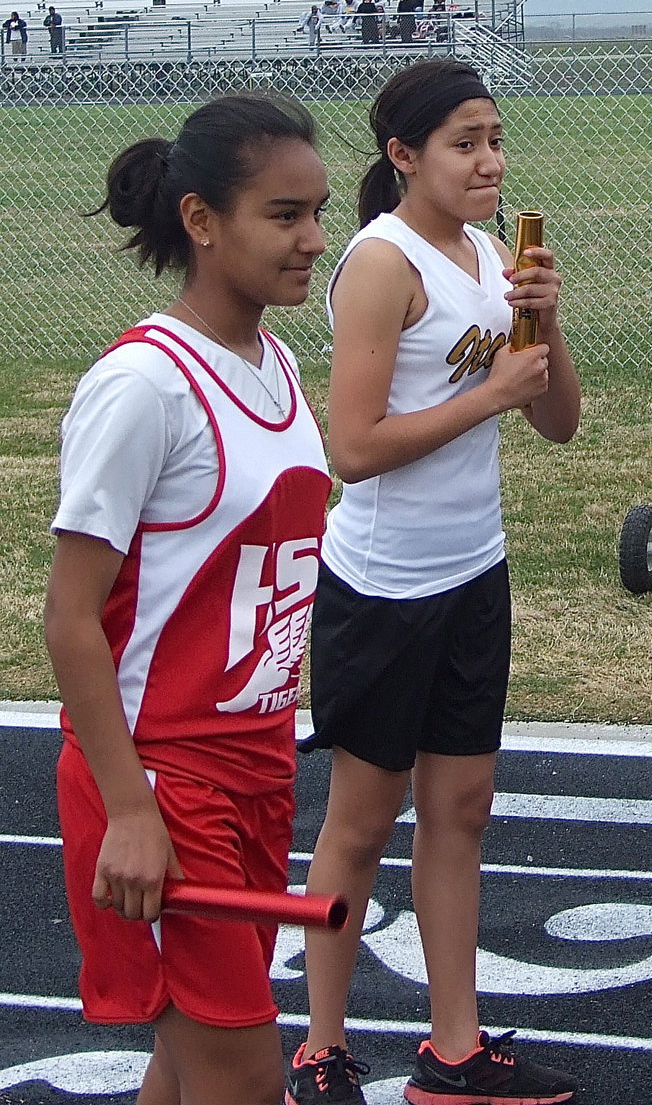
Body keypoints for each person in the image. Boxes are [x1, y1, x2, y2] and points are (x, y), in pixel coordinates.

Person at [285, 58, 581, 1105]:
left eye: (495, 139)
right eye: (464, 143)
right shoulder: (381, 262)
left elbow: (556, 421)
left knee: (461, 810)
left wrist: (546, 320)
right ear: (403, 155)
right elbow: (354, 448)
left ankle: (453, 1050)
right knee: (361, 824)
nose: (489, 161)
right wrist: (489, 393)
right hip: (382, 589)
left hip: (472, 573)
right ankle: (321, 1049)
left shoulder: (491, 254)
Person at [44, 91, 332, 1105]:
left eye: (316, 212)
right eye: (284, 215)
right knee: (244, 1079)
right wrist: (131, 810)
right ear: (201, 220)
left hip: (256, 773)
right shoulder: (144, 385)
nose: (313, 239)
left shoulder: (276, 361)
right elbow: (70, 619)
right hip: (167, 783)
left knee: (186, 1071)